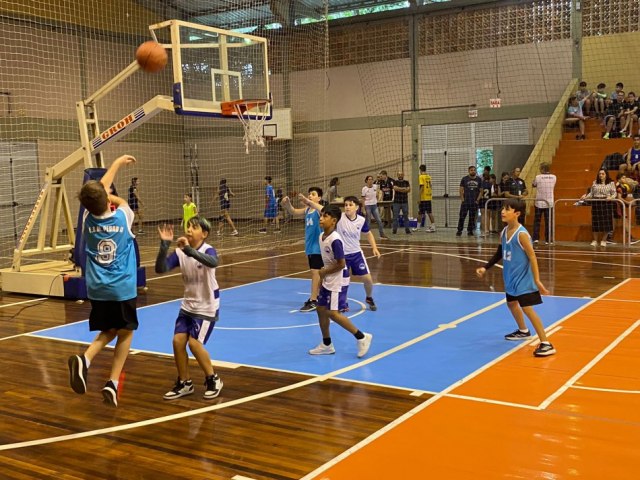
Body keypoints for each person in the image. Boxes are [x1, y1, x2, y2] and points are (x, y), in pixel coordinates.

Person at [68, 154, 139, 407]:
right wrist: (118, 164)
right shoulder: (124, 215)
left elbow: (102, 190)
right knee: (127, 332)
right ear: (107, 199)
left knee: (108, 330)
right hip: (121, 287)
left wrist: (116, 166)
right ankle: (112, 382)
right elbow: (108, 193)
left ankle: (85, 359)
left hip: (97, 288)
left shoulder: (86, 221)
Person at [475, 199, 555, 357]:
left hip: (523, 279)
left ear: (517, 214)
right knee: (511, 303)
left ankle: (546, 343)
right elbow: (500, 252)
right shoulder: (504, 232)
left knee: (528, 309)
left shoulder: (522, 234)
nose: (503, 212)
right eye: (503, 209)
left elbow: (532, 257)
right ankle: (523, 331)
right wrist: (485, 267)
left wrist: (537, 280)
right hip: (510, 278)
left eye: (507, 209)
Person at [155, 217, 223, 401]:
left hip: (207, 306)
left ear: (204, 233)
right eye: (188, 226)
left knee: (194, 344)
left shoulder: (207, 249)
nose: (190, 229)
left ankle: (213, 379)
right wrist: (164, 245)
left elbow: (213, 262)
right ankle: (184, 382)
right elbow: (160, 268)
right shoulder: (180, 252)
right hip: (188, 305)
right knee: (177, 342)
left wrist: (189, 250)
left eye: (194, 227)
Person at [307, 204, 373, 358]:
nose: (321, 219)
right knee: (320, 309)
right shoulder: (321, 236)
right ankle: (327, 344)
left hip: (337, 280)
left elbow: (341, 263)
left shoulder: (336, 240)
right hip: (328, 278)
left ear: (334, 220)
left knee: (332, 313)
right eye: (321, 216)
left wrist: (323, 272)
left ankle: (362, 337)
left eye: (325, 216)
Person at [301, 194, 381, 312]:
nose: (347, 207)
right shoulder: (340, 218)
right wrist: (308, 201)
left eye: (350, 205)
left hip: (356, 254)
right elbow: (321, 208)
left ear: (357, 207)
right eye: (346, 205)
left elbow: (368, 233)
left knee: (368, 279)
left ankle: (369, 297)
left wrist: (374, 247)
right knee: (343, 282)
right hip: (341, 256)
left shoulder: (361, 220)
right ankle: (343, 304)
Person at [281, 187, 324, 312]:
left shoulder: (317, 210)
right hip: (310, 247)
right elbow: (293, 211)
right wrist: (287, 203)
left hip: (318, 246)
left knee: (315, 273)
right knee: (318, 273)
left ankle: (313, 300)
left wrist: (308, 201)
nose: (310, 195)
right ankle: (319, 296)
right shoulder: (307, 210)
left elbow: (323, 209)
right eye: (309, 194)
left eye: (313, 194)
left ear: (319, 198)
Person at [581, 169, 616, 247]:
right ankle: (595, 240)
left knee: (607, 222)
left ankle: (604, 240)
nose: (601, 175)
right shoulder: (595, 182)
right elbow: (591, 193)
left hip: (606, 204)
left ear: (606, 174)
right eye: (600, 174)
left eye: (603, 174)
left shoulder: (611, 183)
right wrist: (585, 196)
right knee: (595, 222)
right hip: (596, 203)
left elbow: (614, 193)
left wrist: (611, 197)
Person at [532, 163, 556, 244]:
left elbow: (533, 184)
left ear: (542, 169)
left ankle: (535, 238)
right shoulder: (554, 177)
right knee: (548, 222)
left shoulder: (538, 177)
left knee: (537, 221)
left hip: (539, 203)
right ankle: (548, 239)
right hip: (550, 203)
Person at [456, 165, 481, 236]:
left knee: (472, 217)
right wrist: (462, 199)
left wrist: (477, 200)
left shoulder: (479, 179)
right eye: (471, 170)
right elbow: (461, 190)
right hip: (466, 201)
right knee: (462, 216)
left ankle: (470, 231)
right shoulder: (464, 179)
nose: (473, 171)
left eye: (474, 170)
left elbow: (481, 191)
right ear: (469, 171)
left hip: (474, 202)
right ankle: (459, 230)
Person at [362, 175, 388, 239]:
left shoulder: (375, 186)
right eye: (369, 179)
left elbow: (379, 190)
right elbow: (363, 199)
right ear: (366, 181)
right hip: (368, 205)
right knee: (368, 221)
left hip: (374, 205)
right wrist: (363, 209)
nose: (370, 181)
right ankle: (367, 235)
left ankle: (382, 234)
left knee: (379, 220)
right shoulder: (364, 189)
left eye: (371, 179)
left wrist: (378, 195)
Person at [416, 164, 436, 232]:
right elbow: (431, 186)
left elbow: (421, 187)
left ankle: (419, 227)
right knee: (428, 212)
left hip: (423, 198)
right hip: (428, 197)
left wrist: (418, 197)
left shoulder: (421, 176)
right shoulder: (428, 176)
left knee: (420, 213)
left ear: (420, 170)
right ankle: (432, 226)